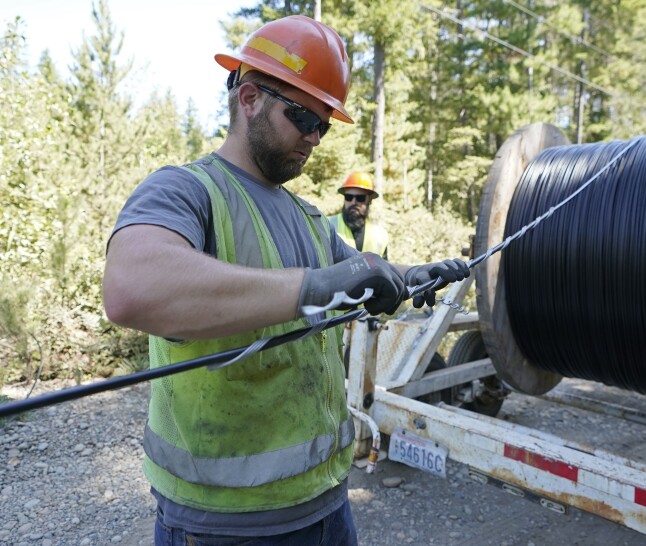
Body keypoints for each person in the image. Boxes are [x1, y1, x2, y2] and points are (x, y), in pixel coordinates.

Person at [102, 15, 468, 546]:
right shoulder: (184, 191)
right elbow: (133, 287)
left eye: (324, 124)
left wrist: (415, 275)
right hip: (226, 525)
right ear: (249, 98)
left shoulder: (306, 218)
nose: (315, 137)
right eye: (303, 117)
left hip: (324, 503)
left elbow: (358, 271)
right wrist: (313, 288)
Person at [329, 171, 389, 259]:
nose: (353, 202)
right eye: (349, 197)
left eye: (360, 198)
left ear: (370, 200)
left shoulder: (380, 235)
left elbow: (384, 269)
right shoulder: (327, 225)